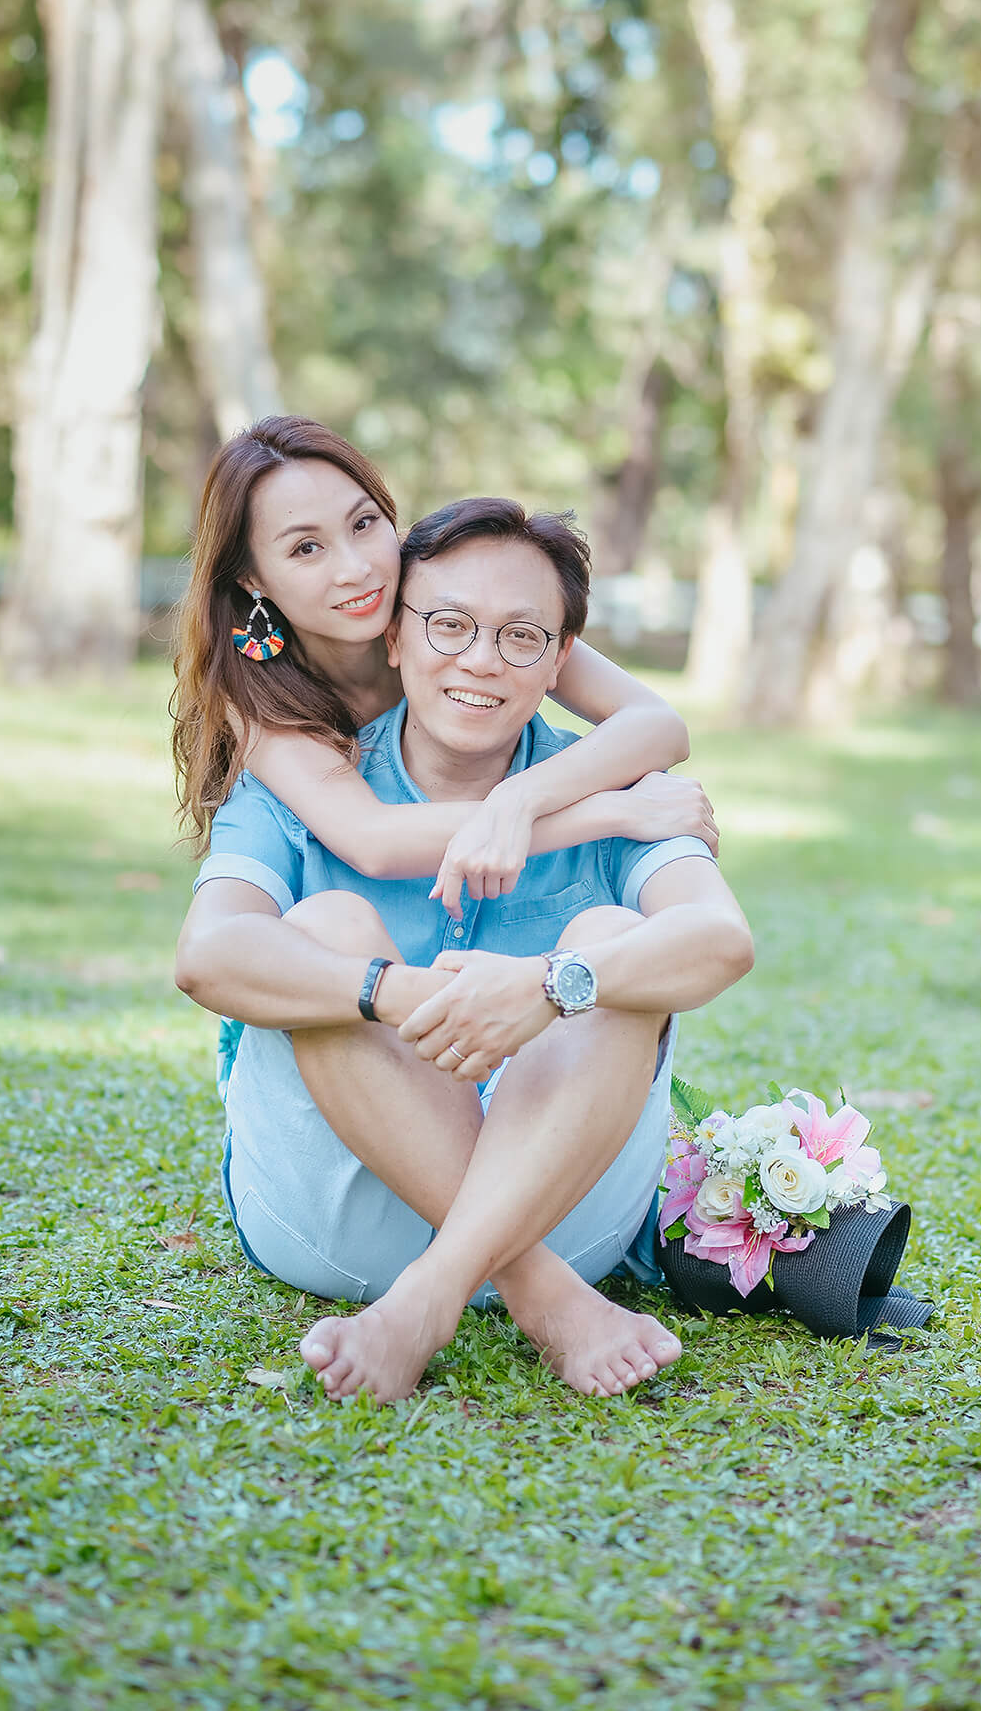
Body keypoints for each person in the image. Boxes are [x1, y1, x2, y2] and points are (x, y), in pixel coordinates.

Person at [175, 494, 755, 1403]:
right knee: (324, 934)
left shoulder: (618, 783)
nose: (480, 661)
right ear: (395, 636)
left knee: (609, 941)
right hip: (339, 1218)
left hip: (570, 1207)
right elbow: (207, 959)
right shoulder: (307, 774)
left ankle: (427, 1301)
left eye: (521, 638)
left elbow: (719, 940)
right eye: (449, 625)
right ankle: (544, 1300)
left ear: (562, 661)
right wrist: (393, 994)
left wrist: (553, 984)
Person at [172, 415, 717, 923]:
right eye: (307, 548)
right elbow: (373, 841)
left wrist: (519, 797)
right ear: (253, 579)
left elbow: (657, 725)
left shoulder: (446, 601)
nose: (357, 568)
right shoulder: (250, 692)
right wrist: (613, 814)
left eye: (364, 523)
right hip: (325, 961)